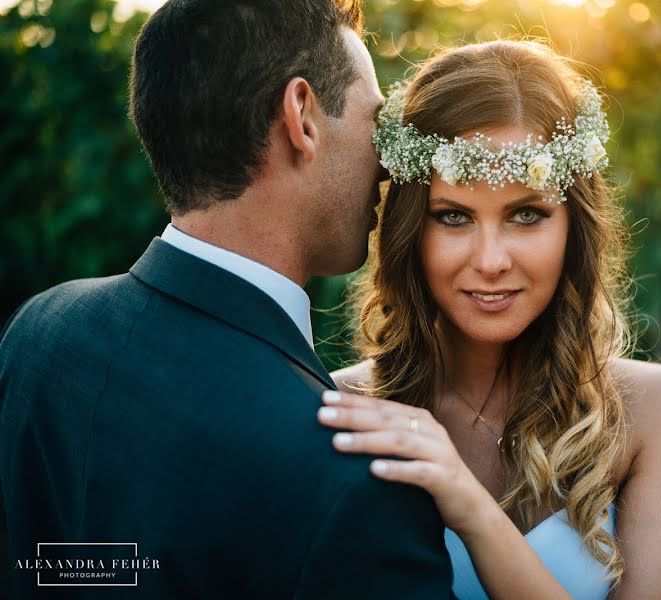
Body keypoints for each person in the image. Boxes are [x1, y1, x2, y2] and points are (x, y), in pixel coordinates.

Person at [0, 1, 455, 598]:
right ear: (302, 117)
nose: (390, 166)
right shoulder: (354, 479)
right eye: (375, 120)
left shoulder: (38, 331)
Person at [326, 40, 661, 599]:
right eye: (452, 216)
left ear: (573, 227)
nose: (490, 262)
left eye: (526, 215)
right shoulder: (344, 412)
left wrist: (472, 511)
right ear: (412, 231)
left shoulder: (657, 413)